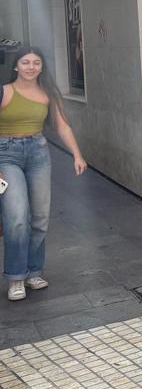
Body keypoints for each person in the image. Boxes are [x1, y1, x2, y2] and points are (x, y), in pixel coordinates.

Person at [0, 46, 88, 301]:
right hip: (6, 154)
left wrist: (77, 154)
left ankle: (34, 272)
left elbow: (62, 126)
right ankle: (16, 277)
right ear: (16, 66)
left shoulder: (48, 94)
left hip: (38, 153)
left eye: (35, 62)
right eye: (25, 62)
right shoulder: (5, 92)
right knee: (17, 216)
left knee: (40, 217)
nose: (30, 67)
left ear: (41, 67)